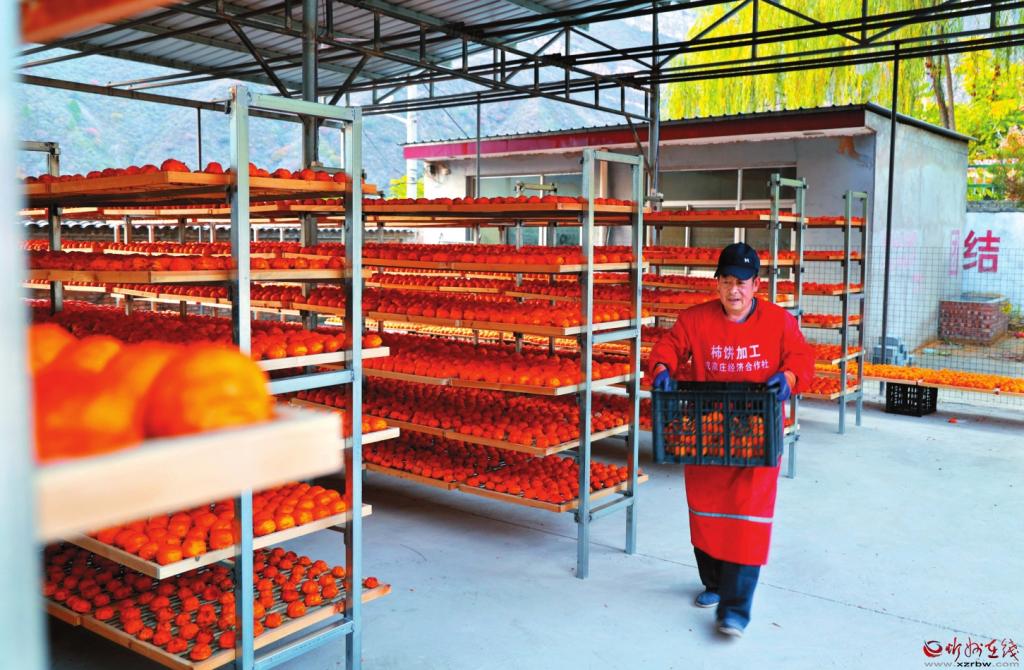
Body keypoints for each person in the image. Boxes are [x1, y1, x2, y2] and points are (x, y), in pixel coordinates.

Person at [647, 242, 815, 638]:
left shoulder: (778, 322)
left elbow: (801, 358)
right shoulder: (695, 319)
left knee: (748, 519)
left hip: (758, 433)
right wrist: (661, 368)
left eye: (741, 282)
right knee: (705, 511)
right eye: (726, 281)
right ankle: (714, 582)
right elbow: (669, 346)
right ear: (717, 284)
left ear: (756, 284)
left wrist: (788, 378)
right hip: (708, 431)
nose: (733, 290)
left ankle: (735, 609)